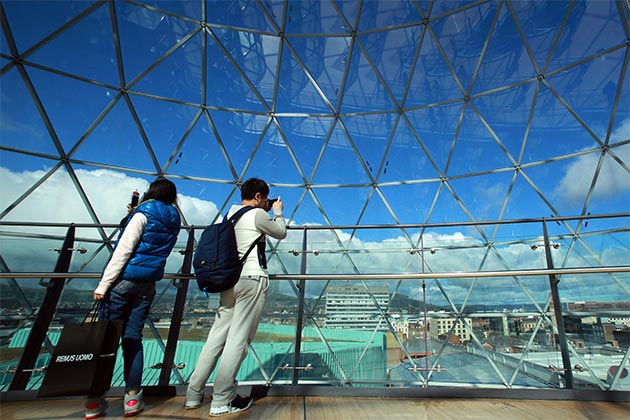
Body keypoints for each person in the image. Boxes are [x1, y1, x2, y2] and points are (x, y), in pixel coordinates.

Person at [185, 177, 287, 417]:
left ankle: (193, 393)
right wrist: (278, 212)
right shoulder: (256, 214)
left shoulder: (229, 215)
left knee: (216, 338)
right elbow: (280, 232)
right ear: (260, 196)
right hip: (251, 279)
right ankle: (222, 399)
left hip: (228, 280)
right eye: (265, 199)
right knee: (238, 340)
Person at [85, 178, 181, 419]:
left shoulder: (143, 214)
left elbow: (124, 250)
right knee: (132, 339)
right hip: (148, 284)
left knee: (107, 341)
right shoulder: (173, 219)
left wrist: (103, 284)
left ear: (151, 193)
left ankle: (95, 401)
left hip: (123, 282)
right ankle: (132, 398)